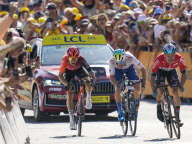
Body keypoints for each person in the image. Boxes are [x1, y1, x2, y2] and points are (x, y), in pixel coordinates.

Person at [58, 46, 95, 130]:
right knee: (70, 92)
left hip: (79, 70)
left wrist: (92, 81)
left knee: (87, 81)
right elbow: (60, 76)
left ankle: (88, 97)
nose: (73, 61)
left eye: (75, 59)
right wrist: (67, 84)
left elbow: (90, 72)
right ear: (68, 57)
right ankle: (71, 118)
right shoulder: (64, 60)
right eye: (71, 59)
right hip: (68, 72)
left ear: (78, 57)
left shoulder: (81, 59)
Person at [150, 43, 186, 126]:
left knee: (175, 91)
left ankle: (177, 116)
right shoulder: (158, 60)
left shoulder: (179, 58)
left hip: (172, 71)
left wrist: (182, 85)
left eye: (172, 55)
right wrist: (153, 89)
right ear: (164, 55)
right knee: (161, 91)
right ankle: (159, 105)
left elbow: (184, 74)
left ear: (175, 54)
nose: (171, 58)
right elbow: (152, 76)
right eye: (168, 56)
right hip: (160, 72)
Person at [109, 49, 146, 121]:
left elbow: (143, 69)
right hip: (118, 71)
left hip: (129, 69)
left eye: (121, 63)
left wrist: (143, 83)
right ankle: (120, 111)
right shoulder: (111, 61)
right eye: (118, 64)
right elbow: (111, 77)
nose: (120, 65)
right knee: (117, 89)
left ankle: (135, 106)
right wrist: (117, 85)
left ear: (125, 58)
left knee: (137, 87)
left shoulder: (130, 58)